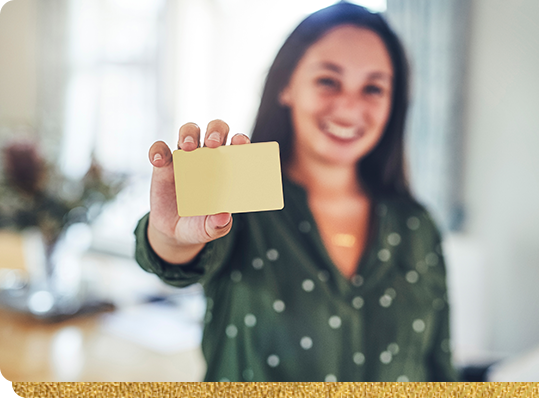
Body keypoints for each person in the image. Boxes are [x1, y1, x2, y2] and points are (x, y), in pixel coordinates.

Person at [134, 1, 459, 382]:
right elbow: (177, 254)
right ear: (286, 85)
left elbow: (441, 369)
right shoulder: (238, 199)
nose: (350, 106)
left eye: (373, 88)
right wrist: (170, 237)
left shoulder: (418, 226)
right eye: (328, 81)